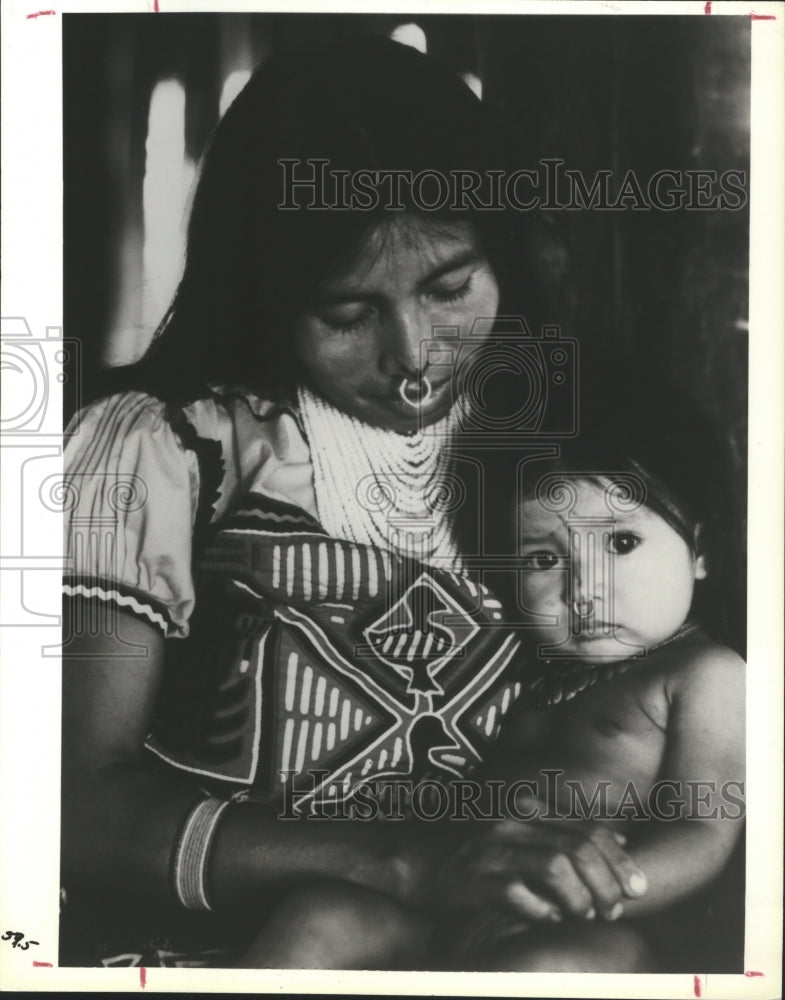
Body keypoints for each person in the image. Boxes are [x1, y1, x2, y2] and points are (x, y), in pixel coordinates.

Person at [60, 36, 648, 970]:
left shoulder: (589, 450)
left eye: (451, 286)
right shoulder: (159, 452)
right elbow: (69, 809)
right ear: (262, 298)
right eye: (345, 313)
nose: (412, 355)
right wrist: (404, 864)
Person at [249, 366, 746, 973]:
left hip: (588, 922)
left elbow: (703, 831)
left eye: (620, 543)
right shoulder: (525, 668)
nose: (585, 590)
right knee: (316, 919)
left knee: (547, 970)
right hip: (455, 899)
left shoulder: (704, 674)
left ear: (700, 552)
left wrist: (594, 892)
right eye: (543, 558)